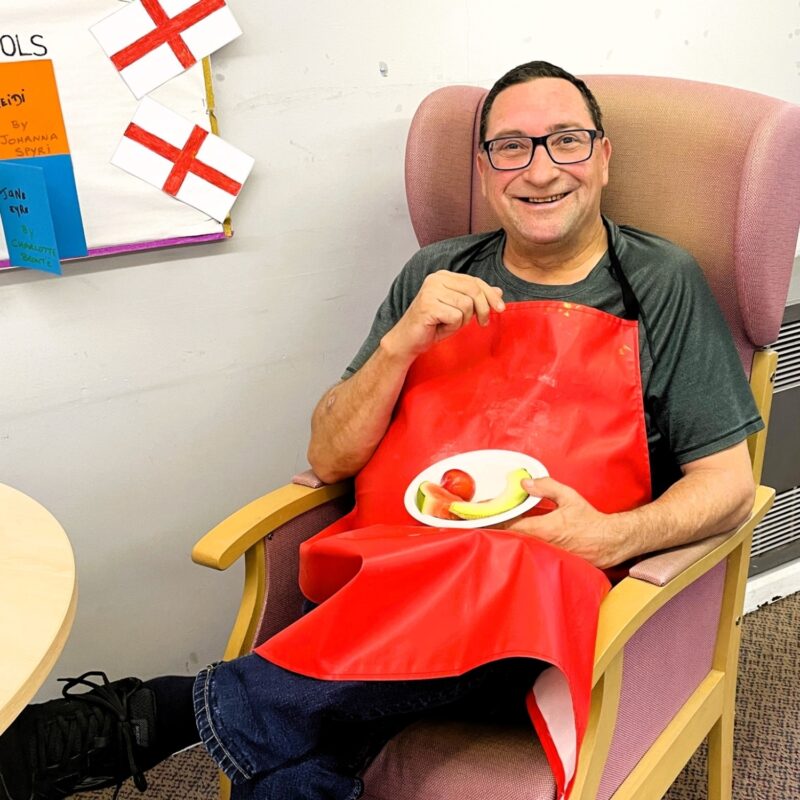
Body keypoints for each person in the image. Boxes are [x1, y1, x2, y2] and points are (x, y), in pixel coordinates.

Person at [0, 61, 762, 800]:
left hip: (535, 613)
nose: (539, 170)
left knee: (516, 568)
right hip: (388, 581)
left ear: (602, 156)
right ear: (485, 167)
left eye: (565, 140)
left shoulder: (661, 283)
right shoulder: (435, 271)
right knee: (300, 764)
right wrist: (402, 341)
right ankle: (249, 712)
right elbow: (328, 455)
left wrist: (610, 540)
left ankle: (166, 713)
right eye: (511, 147)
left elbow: (729, 485)